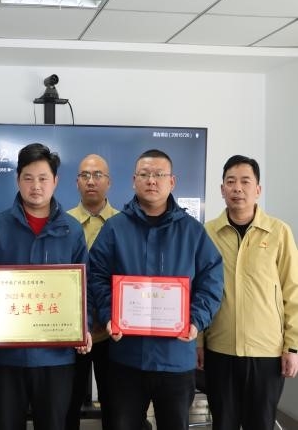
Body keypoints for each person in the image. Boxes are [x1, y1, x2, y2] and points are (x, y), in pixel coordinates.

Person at [89, 149, 223, 430]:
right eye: (145, 174)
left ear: (172, 182)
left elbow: (212, 281)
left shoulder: (193, 231)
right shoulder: (115, 229)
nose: (152, 180)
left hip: (176, 359)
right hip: (126, 358)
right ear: (134, 180)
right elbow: (96, 276)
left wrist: (196, 320)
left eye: (159, 174)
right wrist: (110, 314)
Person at [0, 143, 91, 430]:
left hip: (56, 357)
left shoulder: (72, 230)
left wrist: (84, 326)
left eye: (43, 178)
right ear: (17, 180)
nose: (36, 186)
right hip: (5, 355)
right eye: (28, 178)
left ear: (55, 181)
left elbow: (84, 286)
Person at [199, 155, 298, 430]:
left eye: (245, 181)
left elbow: (293, 291)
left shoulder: (279, 232)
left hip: (267, 352)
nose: (238, 188)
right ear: (222, 189)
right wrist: (198, 342)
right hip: (220, 349)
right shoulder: (207, 233)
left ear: (258, 189)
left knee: (261, 424)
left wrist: (292, 346)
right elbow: (199, 291)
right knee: (223, 423)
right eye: (231, 182)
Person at [65, 154, 119, 430]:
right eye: (85, 175)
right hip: (71, 329)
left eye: (98, 175)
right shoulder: (63, 224)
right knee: (68, 402)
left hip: (113, 331)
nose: (91, 181)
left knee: (115, 404)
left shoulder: (123, 224)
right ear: (76, 182)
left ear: (109, 182)